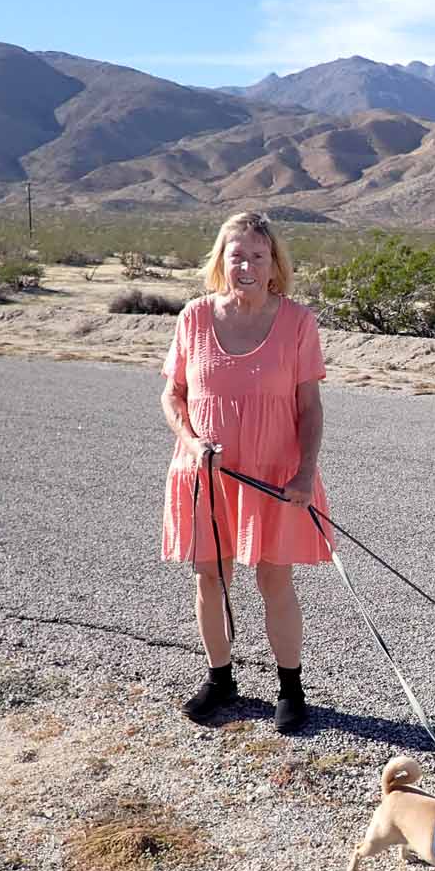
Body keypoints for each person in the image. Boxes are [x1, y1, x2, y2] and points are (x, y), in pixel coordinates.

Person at [159, 212, 330, 732]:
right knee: (210, 577)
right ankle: (220, 680)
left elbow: (310, 407)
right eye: (237, 256)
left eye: (258, 256)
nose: (247, 266)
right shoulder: (194, 317)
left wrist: (304, 474)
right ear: (221, 260)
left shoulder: (298, 322)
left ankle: (291, 688)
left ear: (275, 264)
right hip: (205, 475)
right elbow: (172, 395)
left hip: (277, 477)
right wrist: (192, 442)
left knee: (274, 579)